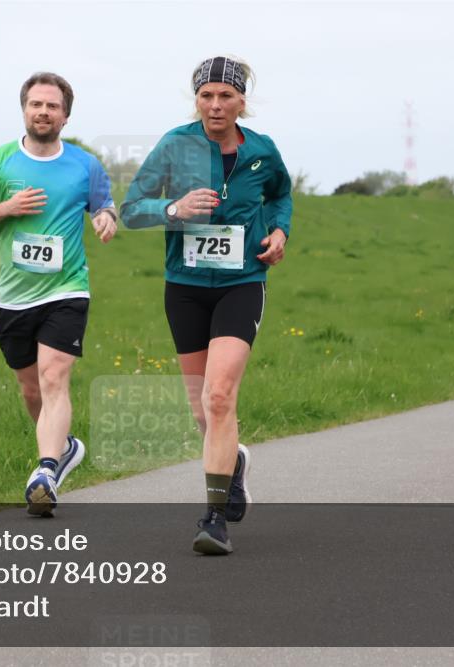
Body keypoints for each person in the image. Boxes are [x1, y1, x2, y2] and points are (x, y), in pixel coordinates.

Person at [120, 56, 292, 554]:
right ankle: (232, 462)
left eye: (226, 96)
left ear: (243, 101)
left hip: (242, 282)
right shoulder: (176, 144)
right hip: (186, 286)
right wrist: (173, 209)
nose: (215, 105)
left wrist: (280, 231)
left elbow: (281, 196)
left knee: (219, 396)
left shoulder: (262, 151)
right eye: (206, 96)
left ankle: (213, 518)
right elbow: (132, 208)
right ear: (195, 99)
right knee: (203, 411)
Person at [0, 72, 117, 517]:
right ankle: (64, 449)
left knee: (53, 377)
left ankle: (46, 470)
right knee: (31, 391)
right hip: (13, 297)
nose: (43, 112)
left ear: (66, 115)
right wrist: (7, 208)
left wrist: (105, 218)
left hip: (67, 290)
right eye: (36, 104)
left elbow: (104, 204)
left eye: (52, 106)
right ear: (24, 109)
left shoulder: (84, 165)